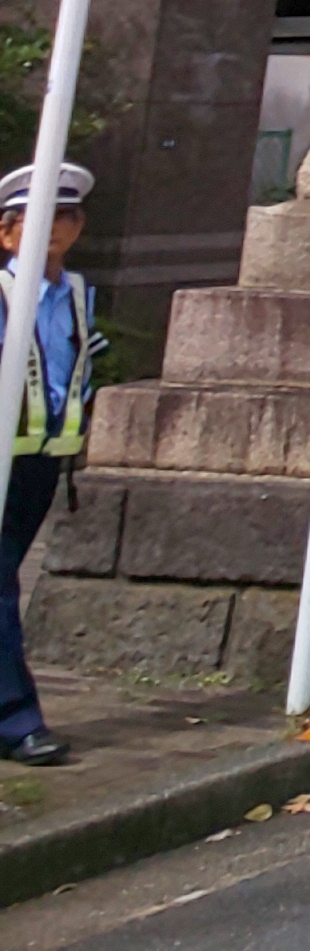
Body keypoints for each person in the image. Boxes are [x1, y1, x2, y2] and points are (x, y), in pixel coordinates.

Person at [0, 164, 98, 766]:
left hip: (39, 467)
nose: (52, 230)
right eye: (35, 220)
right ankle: (17, 720)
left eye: (64, 217)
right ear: (7, 233)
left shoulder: (77, 294)